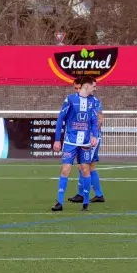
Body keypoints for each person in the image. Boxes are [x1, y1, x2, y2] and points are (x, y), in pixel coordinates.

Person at [52, 76, 101, 211]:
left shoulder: (93, 102)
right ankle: (59, 202)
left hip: (85, 142)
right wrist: (57, 139)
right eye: (93, 86)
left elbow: (93, 121)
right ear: (86, 86)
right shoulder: (70, 99)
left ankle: (86, 203)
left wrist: (94, 136)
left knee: (85, 170)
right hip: (70, 141)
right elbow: (61, 118)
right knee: (65, 169)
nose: (95, 89)